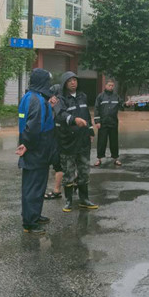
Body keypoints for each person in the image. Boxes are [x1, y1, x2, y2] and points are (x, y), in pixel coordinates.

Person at [15, 68, 57, 235]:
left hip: (35, 150)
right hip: (37, 150)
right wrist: (27, 144)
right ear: (42, 82)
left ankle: (34, 215)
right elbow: (33, 127)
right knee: (33, 187)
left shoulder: (29, 97)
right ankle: (30, 223)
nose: (49, 85)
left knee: (36, 185)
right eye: (47, 81)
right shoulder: (37, 100)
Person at [55, 71, 99, 213]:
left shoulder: (82, 96)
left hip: (83, 141)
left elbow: (86, 115)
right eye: (70, 81)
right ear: (64, 83)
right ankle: (68, 201)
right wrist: (74, 120)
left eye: (75, 80)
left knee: (84, 171)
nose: (73, 82)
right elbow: (60, 115)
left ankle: (84, 199)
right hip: (68, 142)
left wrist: (90, 131)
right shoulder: (60, 99)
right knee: (68, 173)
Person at [94, 79, 122, 167]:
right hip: (103, 123)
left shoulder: (116, 96)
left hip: (113, 122)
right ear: (105, 86)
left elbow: (121, 106)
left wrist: (127, 104)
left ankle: (116, 158)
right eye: (109, 85)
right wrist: (97, 121)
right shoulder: (100, 96)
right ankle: (99, 159)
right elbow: (96, 109)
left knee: (114, 142)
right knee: (101, 142)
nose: (111, 87)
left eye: (112, 85)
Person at [44, 83, 64, 200]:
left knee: (58, 165)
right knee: (64, 164)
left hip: (60, 139)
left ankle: (57, 190)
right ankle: (76, 181)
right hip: (57, 137)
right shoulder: (53, 105)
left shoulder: (59, 104)